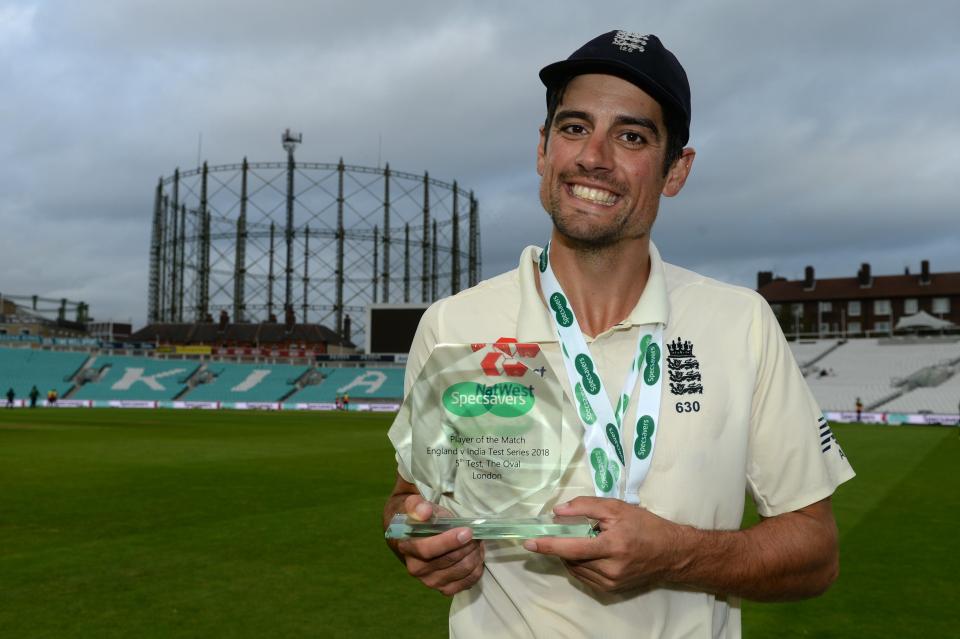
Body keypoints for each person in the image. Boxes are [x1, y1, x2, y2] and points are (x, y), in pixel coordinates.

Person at [383, 31, 854, 637]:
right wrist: (417, 538)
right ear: (542, 148)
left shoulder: (741, 324)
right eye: (575, 128)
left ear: (675, 171)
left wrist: (674, 554)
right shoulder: (453, 324)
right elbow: (406, 500)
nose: (594, 156)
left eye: (631, 136)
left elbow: (816, 552)